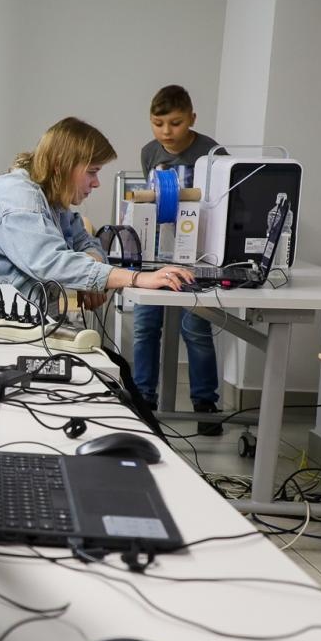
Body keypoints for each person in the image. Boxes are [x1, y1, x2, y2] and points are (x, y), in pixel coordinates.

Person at [0, 116, 192, 307]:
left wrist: (92, 268)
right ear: (61, 165)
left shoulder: (52, 200)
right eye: (92, 172)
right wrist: (136, 279)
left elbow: (85, 241)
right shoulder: (17, 196)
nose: (96, 183)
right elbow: (51, 263)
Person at [134, 85, 223, 433]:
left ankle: (206, 404)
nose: (166, 132)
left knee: (196, 328)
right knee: (145, 326)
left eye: (175, 123)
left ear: (192, 119)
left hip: (198, 254)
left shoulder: (212, 154)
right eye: (158, 124)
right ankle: (143, 400)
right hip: (155, 254)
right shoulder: (149, 152)